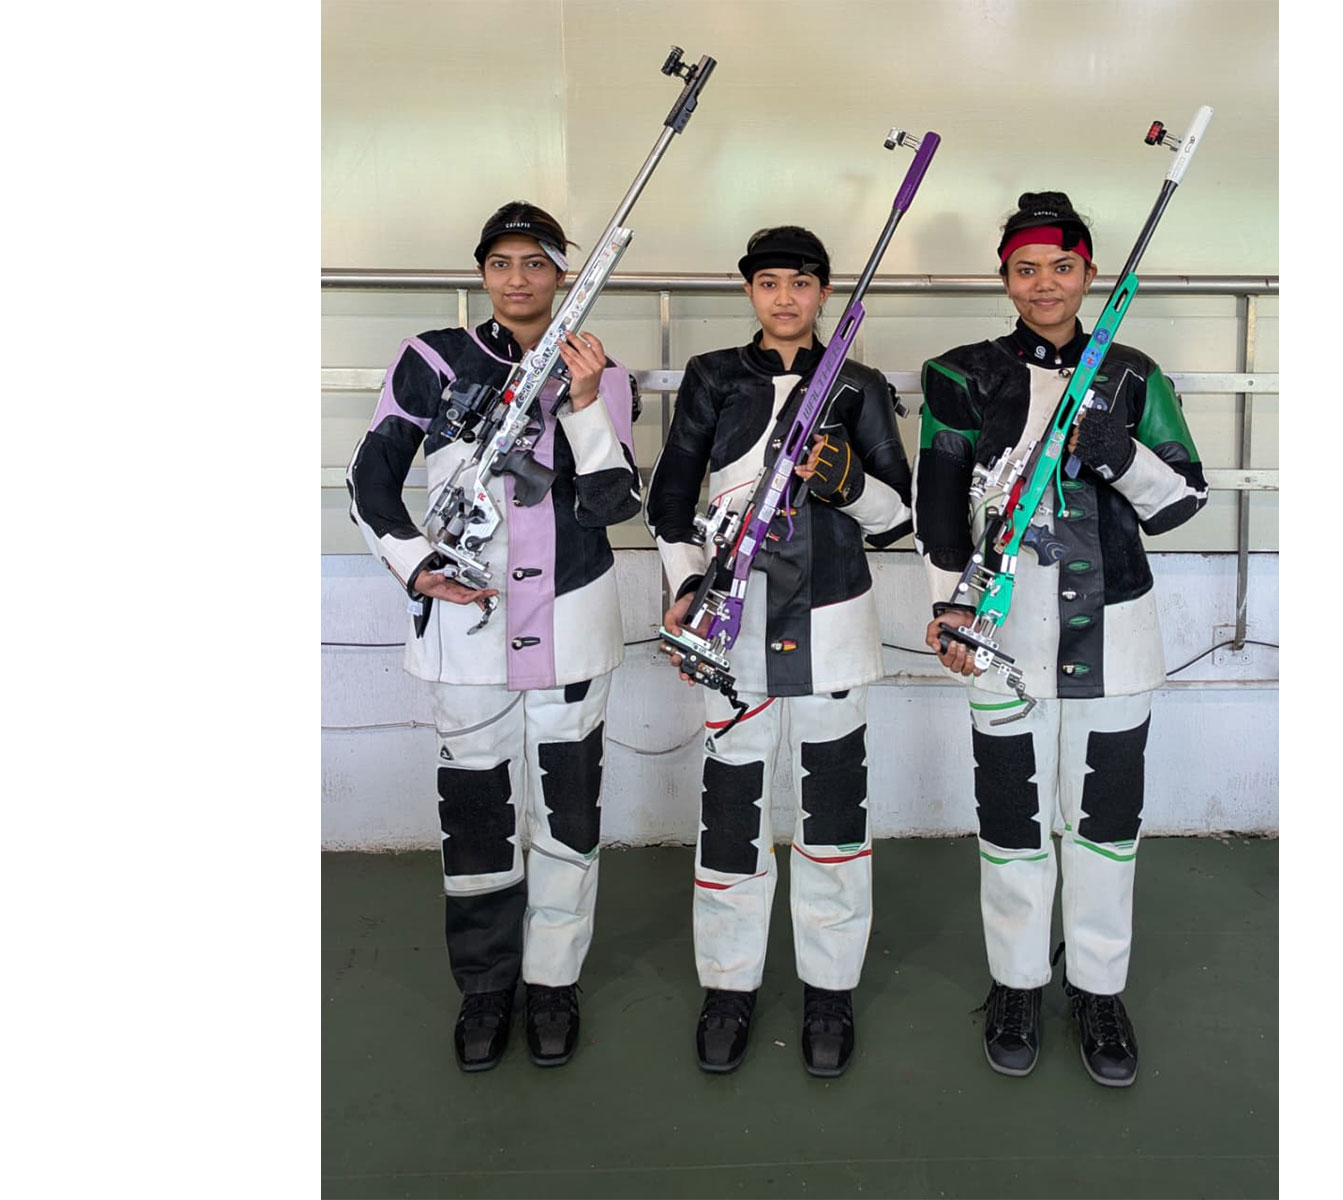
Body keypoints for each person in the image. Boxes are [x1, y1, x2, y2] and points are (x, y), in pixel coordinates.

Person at [913, 191, 1208, 1085]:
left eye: (1063, 266)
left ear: (1087, 272)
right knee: (1010, 822)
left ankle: (1098, 985)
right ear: (1004, 277)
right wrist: (951, 608)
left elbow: (1184, 501)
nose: (1045, 284)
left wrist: (1119, 453)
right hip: (998, 632)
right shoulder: (956, 375)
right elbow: (936, 504)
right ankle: (1015, 980)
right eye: (1027, 268)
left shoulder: (1132, 374)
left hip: (1117, 634)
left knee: (1107, 824)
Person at [345, 200, 642, 1073]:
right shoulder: (432, 360)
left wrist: (584, 403)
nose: (519, 278)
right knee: (475, 818)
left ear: (561, 275)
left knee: (569, 814)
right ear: (483, 272)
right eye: (503, 262)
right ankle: (484, 989)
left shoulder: (598, 368)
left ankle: (553, 984)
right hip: (466, 634)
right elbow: (371, 478)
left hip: (574, 627)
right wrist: (410, 563)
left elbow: (613, 503)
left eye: (537, 263)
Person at [646, 226, 912, 1077]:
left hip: (835, 632)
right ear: (750, 292)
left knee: (834, 822)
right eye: (769, 282)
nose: (786, 297)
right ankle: (729, 986)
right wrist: (688, 586)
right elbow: (670, 499)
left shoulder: (861, 386)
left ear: (826, 293)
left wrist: (846, 481)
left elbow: (900, 518)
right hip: (734, 635)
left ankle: (830, 991)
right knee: (731, 819)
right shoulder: (713, 379)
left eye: (802, 282)